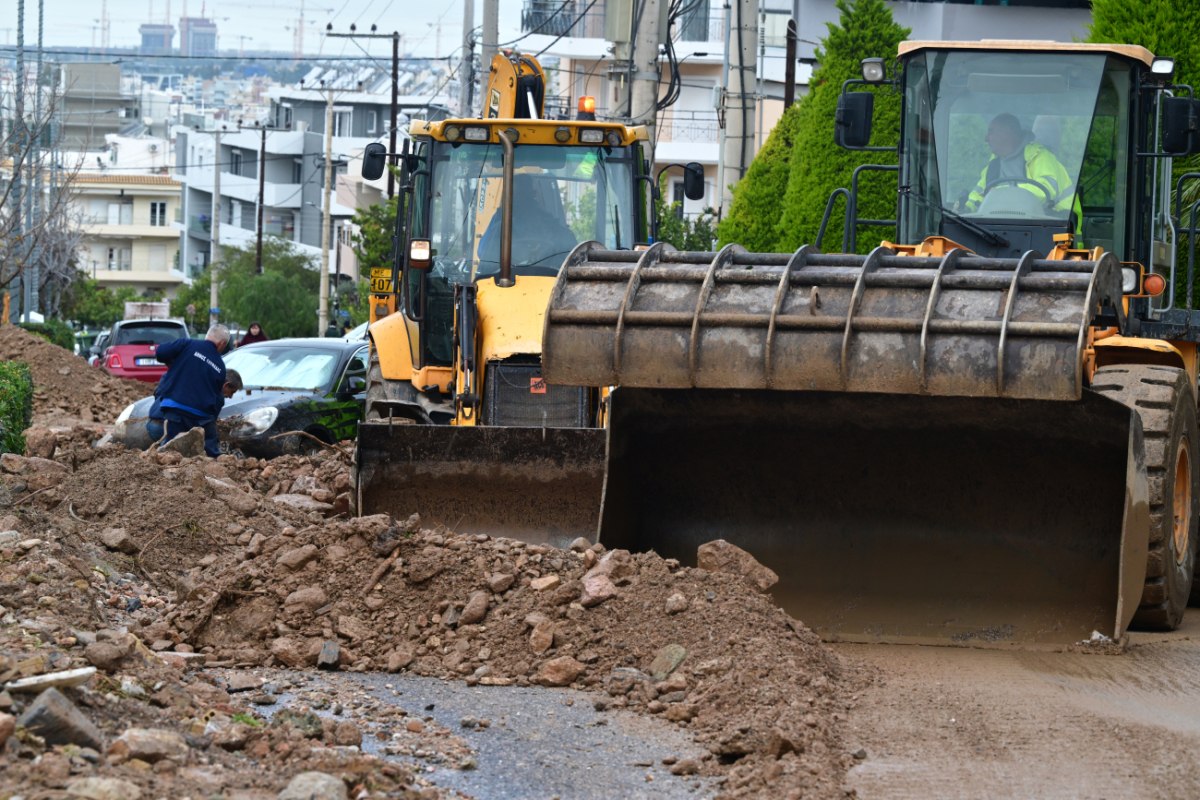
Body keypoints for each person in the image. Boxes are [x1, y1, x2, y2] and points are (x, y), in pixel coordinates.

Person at [964, 113, 1080, 220]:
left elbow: (1045, 192)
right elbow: (980, 193)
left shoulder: (1039, 156)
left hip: (1058, 225)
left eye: (991, 132)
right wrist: (966, 208)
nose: (986, 139)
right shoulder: (994, 164)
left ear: (1007, 133)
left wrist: (1001, 194)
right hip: (1005, 227)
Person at [148, 323, 231, 457]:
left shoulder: (187, 344)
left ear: (207, 336)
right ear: (222, 343)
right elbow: (216, 399)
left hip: (175, 410)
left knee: (170, 452)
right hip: (200, 418)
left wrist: (173, 361)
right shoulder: (220, 366)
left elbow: (160, 353)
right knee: (205, 453)